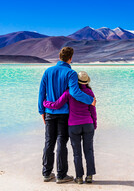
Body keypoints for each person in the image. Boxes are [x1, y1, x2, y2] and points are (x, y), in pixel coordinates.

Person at [38, 47, 96, 184]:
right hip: (64, 114)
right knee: (61, 143)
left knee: (48, 142)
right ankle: (61, 175)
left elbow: (41, 93)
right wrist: (90, 101)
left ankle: (46, 173)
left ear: (59, 57)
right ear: (71, 58)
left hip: (49, 113)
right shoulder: (70, 73)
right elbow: (75, 92)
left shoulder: (47, 71)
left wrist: (42, 111)